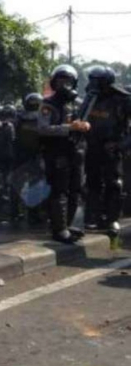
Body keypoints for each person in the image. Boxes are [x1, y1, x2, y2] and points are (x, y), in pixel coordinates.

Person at [38, 64, 91, 243]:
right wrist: (69, 128)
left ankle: (68, 225)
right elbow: (43, 129)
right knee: (59, 190)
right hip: (57, 152)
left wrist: (86, 125)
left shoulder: (78, 103)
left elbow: (85, 122)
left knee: (76, 189)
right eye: (60, 80)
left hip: (76, 151)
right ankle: (59, 229)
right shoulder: (48, 104)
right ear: (54, 82)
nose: (64, 85)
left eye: (68, 81)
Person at [82, 65, 131, 237]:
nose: (94, 85)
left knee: (114, 183)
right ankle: (92, 217)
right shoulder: (90, 96)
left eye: (98, 82)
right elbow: (81, 118)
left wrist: (121, 145)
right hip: (92, 146)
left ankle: (112, 219)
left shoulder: (123, 99)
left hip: (112, 147)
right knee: (92, 182)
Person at [12, 93, 45, 224]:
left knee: (16, 185)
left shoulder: (18, 117)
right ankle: (33, 214)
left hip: (20, 155)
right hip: (35, 156)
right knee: (35, 185)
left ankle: (14, 212)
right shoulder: (42, 118)